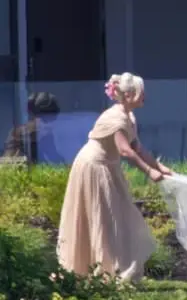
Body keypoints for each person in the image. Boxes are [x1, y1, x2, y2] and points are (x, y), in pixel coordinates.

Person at [56, 72, 172, 282]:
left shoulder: (129, 117)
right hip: (94, 167)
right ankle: (105, 271)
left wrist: (159, 166)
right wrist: (149, 172)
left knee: (119, 216)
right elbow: (126, 151)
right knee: (105, 217)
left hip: (108, 166)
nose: (144, 96)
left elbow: (137, 146)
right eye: (140, 92)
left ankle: (113, 269)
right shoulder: (116, 119)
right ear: (128, 95)